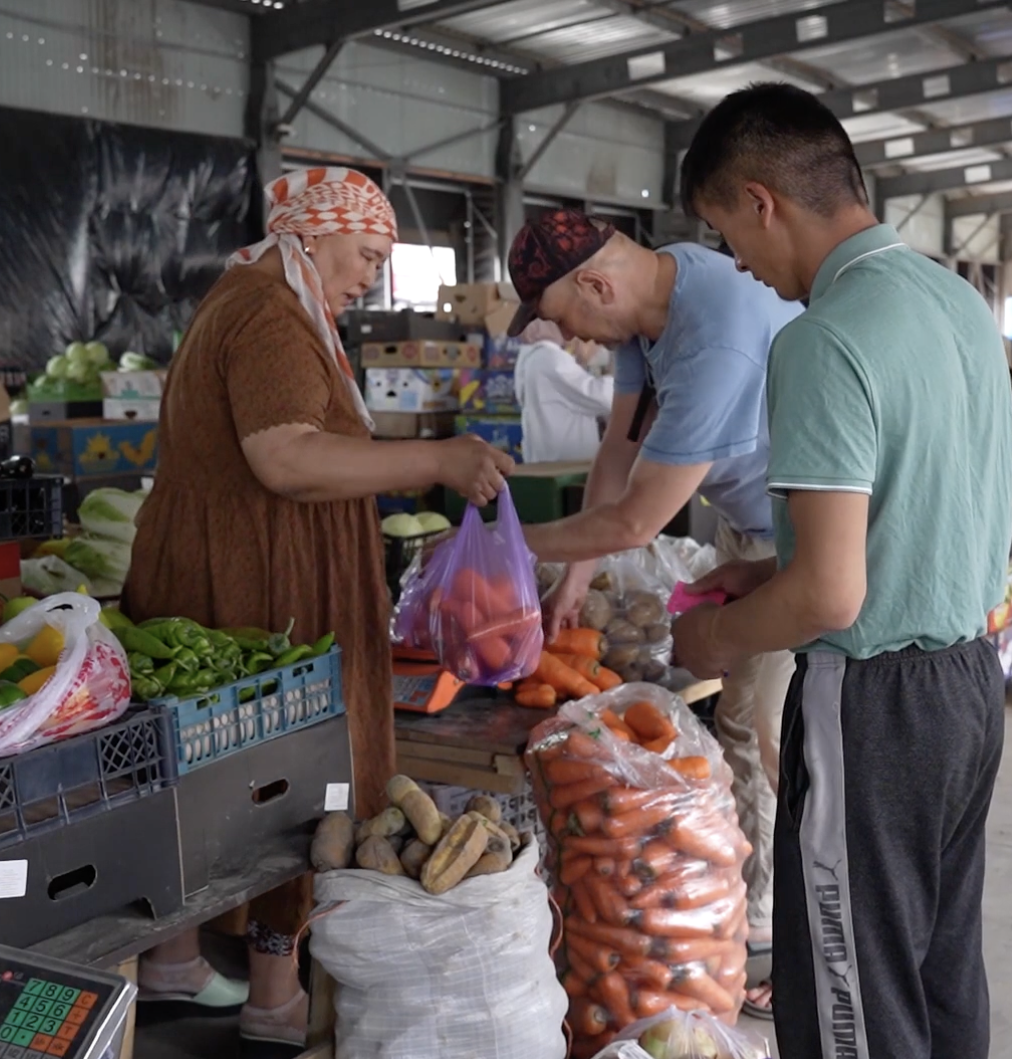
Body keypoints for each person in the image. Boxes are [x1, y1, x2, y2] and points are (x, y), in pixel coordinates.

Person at [122, 167, 512, 1046]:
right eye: (367, 253)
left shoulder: (252, 297)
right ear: (312, 234)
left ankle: (175, 959)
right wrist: (439, 462)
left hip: (223, 575)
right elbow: (288, 458)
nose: (372, 274)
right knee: (296, 782)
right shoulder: (269, 314)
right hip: (268, 589)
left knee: (204, 778)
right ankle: (273, 996)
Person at [673, 83, 1012, 1059]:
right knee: (938, 971)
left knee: (849, 997)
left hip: (873, 706)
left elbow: (831, 596)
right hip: (964, 688)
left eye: (724, 232)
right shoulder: (953, 301)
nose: (738, 262)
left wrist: (714, 636)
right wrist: (769, 568)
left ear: (759, 200)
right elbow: (923, 507)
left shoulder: (822, 339)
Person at [506, 208, 802, 1014]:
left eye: (569, 322)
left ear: (597, 283)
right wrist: (572, 577)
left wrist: (510, 538)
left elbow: (639, 518)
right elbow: (618, 452)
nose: (581, 342)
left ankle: (783, 948)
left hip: (816, 536)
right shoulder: (652, 302)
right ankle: (742, 917)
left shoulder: (715, 335)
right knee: (746, 724)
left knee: (771, 733)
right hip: (755, 528)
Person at [512, 318, 613, 463]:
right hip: (566, 463)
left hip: (546, 461)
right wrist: (626, 378)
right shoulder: (550, 359)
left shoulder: (532, 359)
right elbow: (603, 397)